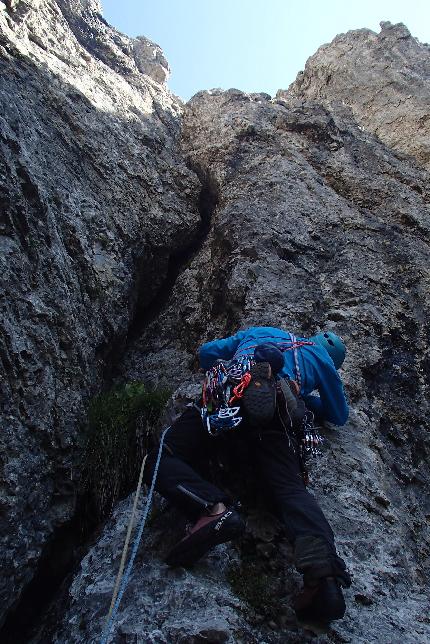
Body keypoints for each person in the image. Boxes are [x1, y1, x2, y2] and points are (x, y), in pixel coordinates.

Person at [144, 326, 351, 624]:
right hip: (277, 421)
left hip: (228, 399)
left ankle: (211, 508)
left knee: (163, 455)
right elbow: (338, 415)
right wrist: (305, 398)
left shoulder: (261, 331)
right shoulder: (322, 360)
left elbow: (206, 354)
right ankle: (323, 575)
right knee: (291, 490)